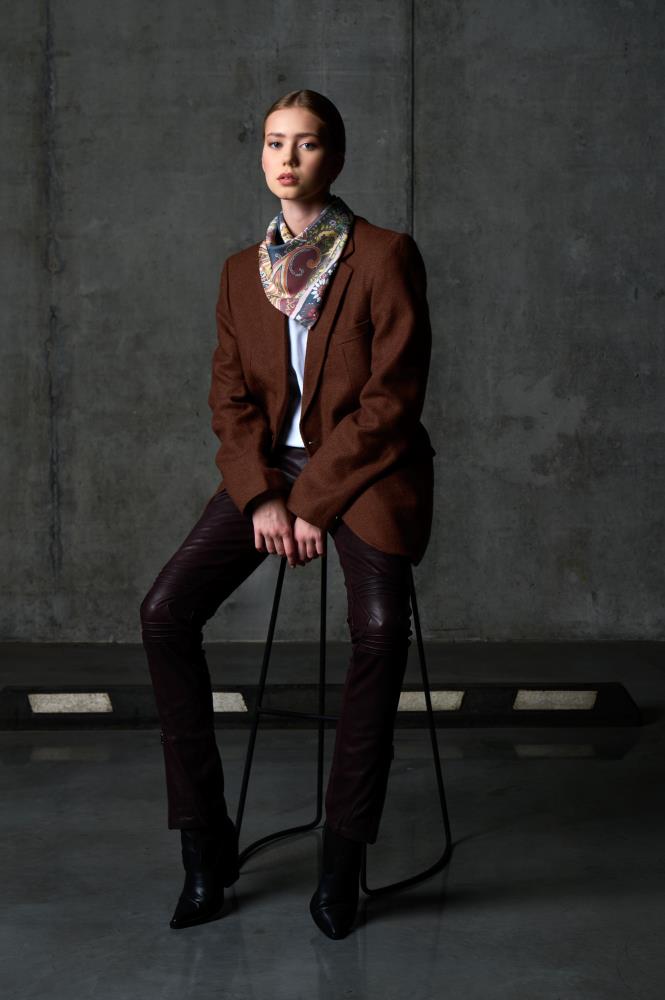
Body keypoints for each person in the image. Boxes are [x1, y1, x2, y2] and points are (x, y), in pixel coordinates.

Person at [140, 88, 436, 940]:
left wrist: (312, 502)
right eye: (275, 142)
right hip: (273, 476)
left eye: (306, 145)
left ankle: (343, 858)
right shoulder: (241, 271)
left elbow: (390, 403)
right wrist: (267, 495)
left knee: (380, 634)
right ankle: (206, 846)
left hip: (366, 472)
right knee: (164, 614)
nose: (287, 158)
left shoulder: (384, 255)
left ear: (334, 157)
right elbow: (229, 399)